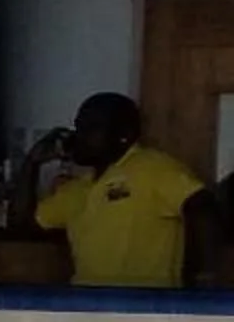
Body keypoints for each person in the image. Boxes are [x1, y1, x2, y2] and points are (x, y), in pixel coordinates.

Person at [30, 92, 216, 288]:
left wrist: (201, 280)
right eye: (78, 127)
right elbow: (24, 224)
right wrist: (32, 163)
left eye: (91, 128)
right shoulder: (77, 188)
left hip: (144, 308)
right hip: (85, 307)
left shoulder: (152, 167)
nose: (79, 136)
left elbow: (202, 207)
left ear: (124, 136)